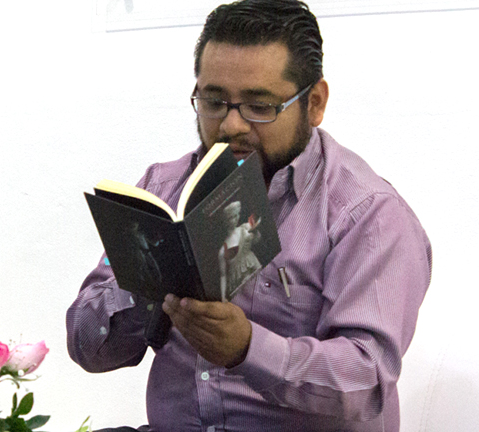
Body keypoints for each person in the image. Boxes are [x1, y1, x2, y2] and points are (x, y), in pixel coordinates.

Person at [66, 1, 432, 431]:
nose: (231, 126)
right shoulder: (162, 188)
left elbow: (364, 384)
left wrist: (246, 348)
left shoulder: (367, 215)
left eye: (260, 106)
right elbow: (86, 348)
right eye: (214, 102)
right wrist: (146, 284)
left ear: (314, 103)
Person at [217, 201, 261, 301]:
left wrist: (255, 233)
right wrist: (223, 297)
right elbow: (223, 275)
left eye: (237, 215)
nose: (236, 218)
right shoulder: (222, 250)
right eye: (232, 217)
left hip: (253, 268)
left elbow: (257, 238)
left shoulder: (244, 227)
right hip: (239, 283)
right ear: (226, 221)